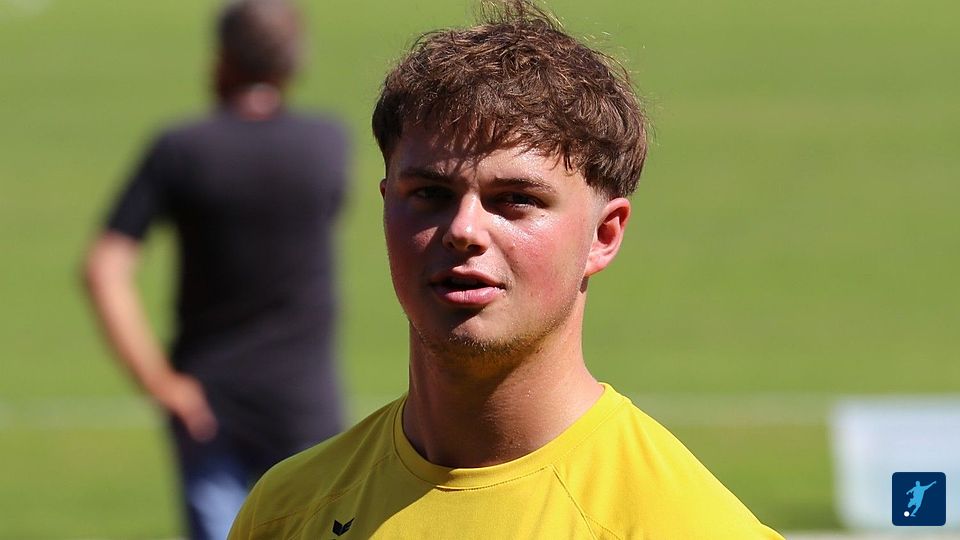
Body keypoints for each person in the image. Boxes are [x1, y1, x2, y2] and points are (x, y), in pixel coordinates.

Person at [229, 1, 783, 538]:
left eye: (515, 199)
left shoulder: (684, 526)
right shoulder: (285, 512)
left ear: (604, 235)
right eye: (430, 193)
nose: (463, 229)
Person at [82, 1, 348, 538]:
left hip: (206, 405)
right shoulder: (327, 145)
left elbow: (104, 267)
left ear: (221, 60)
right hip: (304, 401)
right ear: (292, 63)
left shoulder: (182, 149)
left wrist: (158, 381)